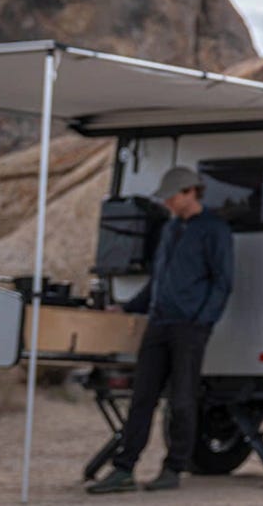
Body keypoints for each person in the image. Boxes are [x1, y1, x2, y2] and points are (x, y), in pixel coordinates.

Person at [87, 166, 234, 494]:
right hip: (159, 322)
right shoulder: (170, 230)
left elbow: (223, 282)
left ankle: (173, 468)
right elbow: (158, 281)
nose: (167, 202)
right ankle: (124, 469)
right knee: (142, 398)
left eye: (171, 196)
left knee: (182, 400)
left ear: (189, 192)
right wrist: (128, 307)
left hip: (189, 327)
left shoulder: (214, 229)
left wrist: (202, 320)